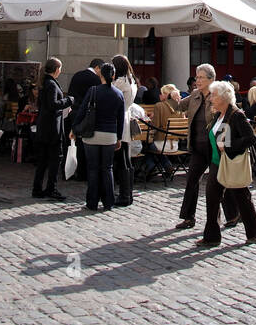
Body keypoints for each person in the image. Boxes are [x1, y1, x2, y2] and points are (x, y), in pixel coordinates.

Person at [196, 81, 256, 247]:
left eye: (214, 95)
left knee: (242, 198)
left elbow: (251, 138)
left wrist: (228, 145)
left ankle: (253, 232)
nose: (211, 98)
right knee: (212, 199)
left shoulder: (236, 114)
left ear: (224, 97)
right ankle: (212, 237)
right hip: (216, 163)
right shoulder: (219, 114)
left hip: (231, 162)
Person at [175, 63, 237, 230]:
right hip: (198, 146)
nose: (198, 80)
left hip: (215, 146)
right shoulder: (195, 95)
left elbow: (232, 113)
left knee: (218, 182)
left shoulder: (219, 95)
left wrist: (227, 143)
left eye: (201, 77)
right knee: (191, 180)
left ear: (212, 79)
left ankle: (232, 215)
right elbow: (179, 105)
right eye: (197, 77)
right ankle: (188, 218)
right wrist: (172, 96)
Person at [74, 62, 125, 211]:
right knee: (107, 168)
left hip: (92, 134)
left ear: (100, 75)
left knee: (93, 169)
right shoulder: (118, 94)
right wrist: (119, 137)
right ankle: (109, 201)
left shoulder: (94, 90)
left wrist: (75, 128)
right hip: (110, 135)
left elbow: (82, 111)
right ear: (114, 75)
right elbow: (120, 119)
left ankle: (92, 202)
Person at [31, 58, 74, 201]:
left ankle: (37, 188)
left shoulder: (45, 83)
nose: (61, 71)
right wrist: (68, 100)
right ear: (56, 69)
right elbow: (53, 104)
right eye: (60, 68)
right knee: (55, 159)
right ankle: (51, 188)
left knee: (43, 160)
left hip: (45, 127)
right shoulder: (51, 84)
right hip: (52, 128)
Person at [109, 54, 138, 206]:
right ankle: (127, 193)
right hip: (125, 117)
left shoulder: (121, 83)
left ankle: (125, 194)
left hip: (120, 120)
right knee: (125, 159)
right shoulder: (131, 80)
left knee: (122, 160)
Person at [143, 83, 182, 180]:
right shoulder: (179, 107)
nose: (159, 95)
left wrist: (150, 120)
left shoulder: (159, 106)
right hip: (175, 144)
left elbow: (155, 127)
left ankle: (151, 167)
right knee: (156, 148)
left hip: (162, 143)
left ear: (166, 95)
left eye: (161, 93)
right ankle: (167, 165)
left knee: (146, 146)